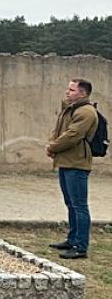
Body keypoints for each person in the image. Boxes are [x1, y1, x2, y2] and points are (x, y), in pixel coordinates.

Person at [46, 78, 98, 260]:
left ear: (83, 93)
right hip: (65, 161)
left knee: (79, 206)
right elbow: (58, 130)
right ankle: (72, 239)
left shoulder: (86, 112)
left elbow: (72, 135)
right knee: (70, 204)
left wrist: (52, 147)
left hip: (77, 163)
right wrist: (53, 144)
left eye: (72, 90)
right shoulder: (70, 108)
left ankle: (81, 246)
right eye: (68, 89)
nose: (67, 92)